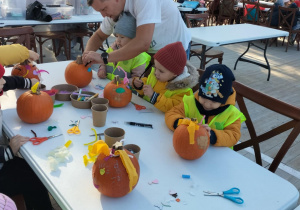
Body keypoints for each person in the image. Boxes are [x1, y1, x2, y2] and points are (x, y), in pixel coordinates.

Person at [0, 44, 53, 210]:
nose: (3, 80)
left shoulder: (1, 83)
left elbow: (8, 81)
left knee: (32, 168)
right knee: (32, 178)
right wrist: (7, 152)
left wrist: (28, 82)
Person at [82, 0, 191, 67]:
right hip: (151, 54)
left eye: (104, 9)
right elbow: (98, 36)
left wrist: (104, 57)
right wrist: (87, 56)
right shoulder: (114, 10)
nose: (103, 15)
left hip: (174, 53)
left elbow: (142, 44)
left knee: (170, 100)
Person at [165, 64, 246, 147]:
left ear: (223, 101)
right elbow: (171, 114)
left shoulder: (231, 114)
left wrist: (212, 135)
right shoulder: (190, 102)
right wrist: (180, 122)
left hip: (217, 155)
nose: (207, 104)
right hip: (189, 145)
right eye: (203, 97)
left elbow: (233, 136)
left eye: (213, 101)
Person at [132, 42, 198, 113]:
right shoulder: (156, 76)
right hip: (147, 112)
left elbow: (173, 107)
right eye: (156, 68)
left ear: (175, 73)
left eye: (161, 71)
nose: (156, 72)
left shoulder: (184, 91)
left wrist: (154, 96)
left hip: (163, 120)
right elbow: (147, 84)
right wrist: (140, 85)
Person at [97, 12, 151, 84]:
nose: (118, 40)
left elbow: (137, 79)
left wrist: (128, 82)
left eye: (122, 37)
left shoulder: (139, 57)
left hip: (125, 91)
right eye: (116, 36)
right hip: (107, 86)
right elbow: (104, 62)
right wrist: (102, 69)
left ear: (133, 39)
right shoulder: (112, 49)